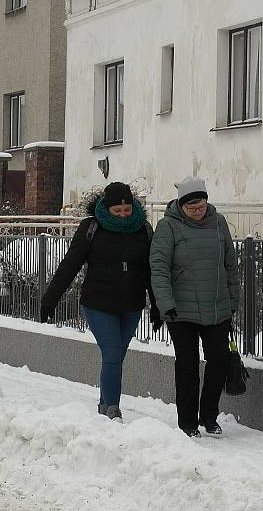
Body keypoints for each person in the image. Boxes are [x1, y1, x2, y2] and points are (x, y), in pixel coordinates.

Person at [40, 182, 162, 421]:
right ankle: (112, 410)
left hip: (131, 304)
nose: (123, 215)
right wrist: (50, 299)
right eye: (117, 211)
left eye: (127, 211)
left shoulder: (143, 229)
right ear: (107, 209)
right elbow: (70, 264)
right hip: (99, 303)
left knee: (117, 356)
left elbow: (151, 270)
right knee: (112, 352)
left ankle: (104, 405)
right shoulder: (91, 227)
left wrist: (157, 306)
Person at [149, 176, 239, 438]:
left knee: (219, 361)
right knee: (187, 365)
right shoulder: (168, 227)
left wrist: (233, 299)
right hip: (181, 310)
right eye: (192, 208)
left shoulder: (218, 223)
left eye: (201, 206)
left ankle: (209, 416)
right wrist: (165, 304)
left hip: (217, 307)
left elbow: (230, 264)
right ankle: (187, 422)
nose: (198, 212)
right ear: (181, 206)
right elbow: (159, 268)